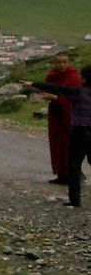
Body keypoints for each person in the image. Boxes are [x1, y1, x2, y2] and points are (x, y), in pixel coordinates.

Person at [24, 65, 91, 209]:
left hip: (80, 132)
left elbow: (57, 89)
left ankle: (75, 201)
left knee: (74, 166)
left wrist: (33, 84)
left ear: (84, 78)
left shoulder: (79, 92)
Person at [43, 53, 82, 184]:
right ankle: (62, 175)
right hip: (56, 113)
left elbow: (76, 98)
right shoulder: (52, 76)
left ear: (69, 62)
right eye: (59, 62)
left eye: (65, 62)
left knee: (68, 145)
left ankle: (73, 175)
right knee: (57, 144)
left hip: (69, 115)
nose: (62, 65)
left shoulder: (73, 77)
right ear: (54, 63)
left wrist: (56, 98)